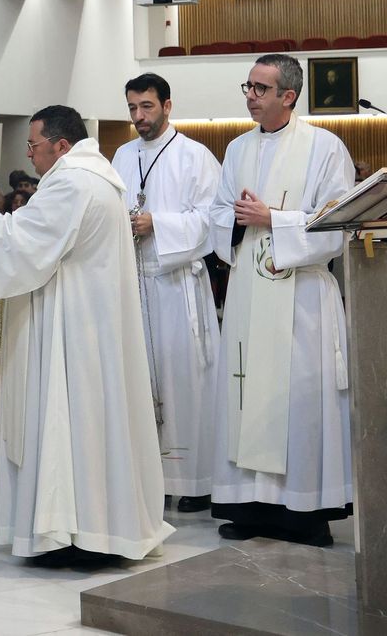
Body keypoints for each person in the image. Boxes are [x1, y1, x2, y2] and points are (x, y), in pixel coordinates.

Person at [0, 105, 172, 569]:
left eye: (34, 145)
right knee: (91, 427)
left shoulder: (71, 181)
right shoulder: (99, 176)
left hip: (70, 329)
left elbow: (21, 243)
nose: (30, 154)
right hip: (89, 324)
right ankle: (93, 527)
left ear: (61, 145)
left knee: (69, 422)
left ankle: (72, 532)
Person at [208, 54, 355, 547]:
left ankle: (304, 512)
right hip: (251, 294)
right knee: (248, 395)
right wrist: (231, 220)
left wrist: (276, 219)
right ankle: (249, 507)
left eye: (260, 88)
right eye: (247, 86)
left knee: (300, 401)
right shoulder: (235, 150)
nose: (250, 95)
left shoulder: (325, 148)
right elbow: (217, 214)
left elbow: (339, 224)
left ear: (288, 96)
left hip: (302, 298)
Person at [111, 73, 222, 513]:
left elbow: (213, 220)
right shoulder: (121, 155)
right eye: (133, 108)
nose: (139, 117)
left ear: (168, 106)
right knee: (139, 379)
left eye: (147, 107)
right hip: (135, 282)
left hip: (177, 286)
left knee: (184, 382)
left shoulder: (195, 157)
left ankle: (194, 482)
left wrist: (158, 223)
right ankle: (148, 477)